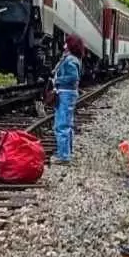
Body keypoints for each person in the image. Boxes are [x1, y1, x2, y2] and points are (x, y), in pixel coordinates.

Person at [52, 34, 85, 164]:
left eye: (66, 43)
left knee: (61, 125)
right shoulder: (73, 58)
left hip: (65, 93)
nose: (64, 45)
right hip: (69, 93)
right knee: (67, 124)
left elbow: (73, 78)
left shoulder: (70, 59)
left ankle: (64, 156)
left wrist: (57, 80)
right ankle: (67, 152)